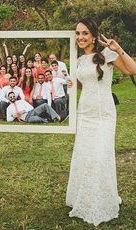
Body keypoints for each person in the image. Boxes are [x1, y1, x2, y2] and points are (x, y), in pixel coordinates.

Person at [66, 18, 136, 226]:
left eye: (85, 33)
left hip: (104, 113)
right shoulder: (78, 60)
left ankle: (102, 201)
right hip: (84, 112)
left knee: (100, 154)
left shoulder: (106, 55)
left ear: (94, 35)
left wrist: (118, 48)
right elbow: (85, 84)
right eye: (78, 33)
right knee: (85, 153)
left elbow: (132, 70)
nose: (80, 37)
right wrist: (72, 83)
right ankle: (84, 198)